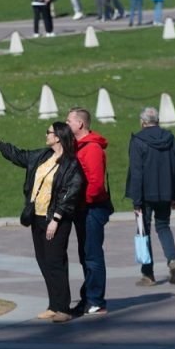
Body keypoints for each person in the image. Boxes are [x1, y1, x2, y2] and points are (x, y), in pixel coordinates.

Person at [0, 121, 85, 323]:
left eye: (48, 132)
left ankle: (64, 308)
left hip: (55, 221)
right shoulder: (43, 156)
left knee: (55, 262)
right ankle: (53, 305)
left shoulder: (71, 163)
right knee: (43, 262)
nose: (46, 135)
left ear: (58, 136)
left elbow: (71, 192)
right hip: (37, 217)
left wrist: (56, 219)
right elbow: (19, 156)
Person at [126, 106, 175, 287]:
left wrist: (136, 200)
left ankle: (148, 274)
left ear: (143, 122)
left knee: (144, 231)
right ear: (157, 121)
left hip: (145, 194)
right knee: (164, 226)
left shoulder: (137, 141)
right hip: (166, 192)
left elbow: (136, 173)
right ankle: (172, 259)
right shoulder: (170, 138)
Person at [66, 107, 112, 316]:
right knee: (86, 254)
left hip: (92, 208)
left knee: (92, 255)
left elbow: (96, 184)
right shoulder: (77, 147)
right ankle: (88, 298)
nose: (66, 125)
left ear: (80, 124)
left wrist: (81, 202)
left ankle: (96, 301)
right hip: (83, 208)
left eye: (69, 122)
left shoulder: (91, 148)